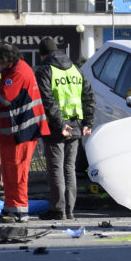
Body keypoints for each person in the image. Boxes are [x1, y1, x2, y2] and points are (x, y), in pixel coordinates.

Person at [0, 42, 49, 223]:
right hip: (15, 130)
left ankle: (19, 211)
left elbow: (4, 97)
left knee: (17, 172)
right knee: (10, 171)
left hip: (21, 130)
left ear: (4, 58)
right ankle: (11, 209)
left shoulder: (17, 72)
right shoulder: (15, 70)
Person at [35, 37, 95, 221]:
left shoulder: (45, 70)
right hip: (76, 125)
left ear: (42, 54)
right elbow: (88, 95)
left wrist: (60, 125)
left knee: (56, 169)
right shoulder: (75, 68)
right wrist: (88, 122)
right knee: (69, 169)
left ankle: (58, 210)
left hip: (57, 127)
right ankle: (69, 210)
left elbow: (47, 101)